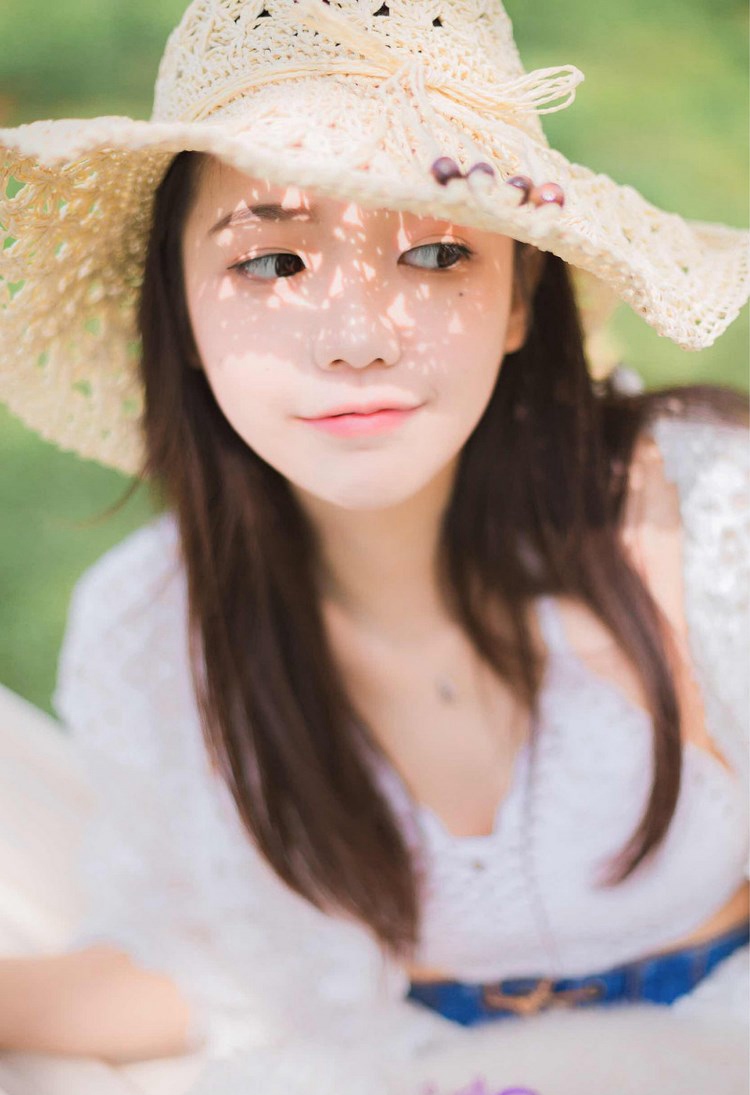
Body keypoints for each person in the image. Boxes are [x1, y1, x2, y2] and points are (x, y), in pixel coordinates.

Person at [0, 0, 748, 1090]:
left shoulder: (697, 505)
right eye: (271, 262)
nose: (356, 339)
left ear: (518, 301)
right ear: (181, 309)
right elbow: (209, 974)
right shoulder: (155, 630)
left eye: (438, 252)